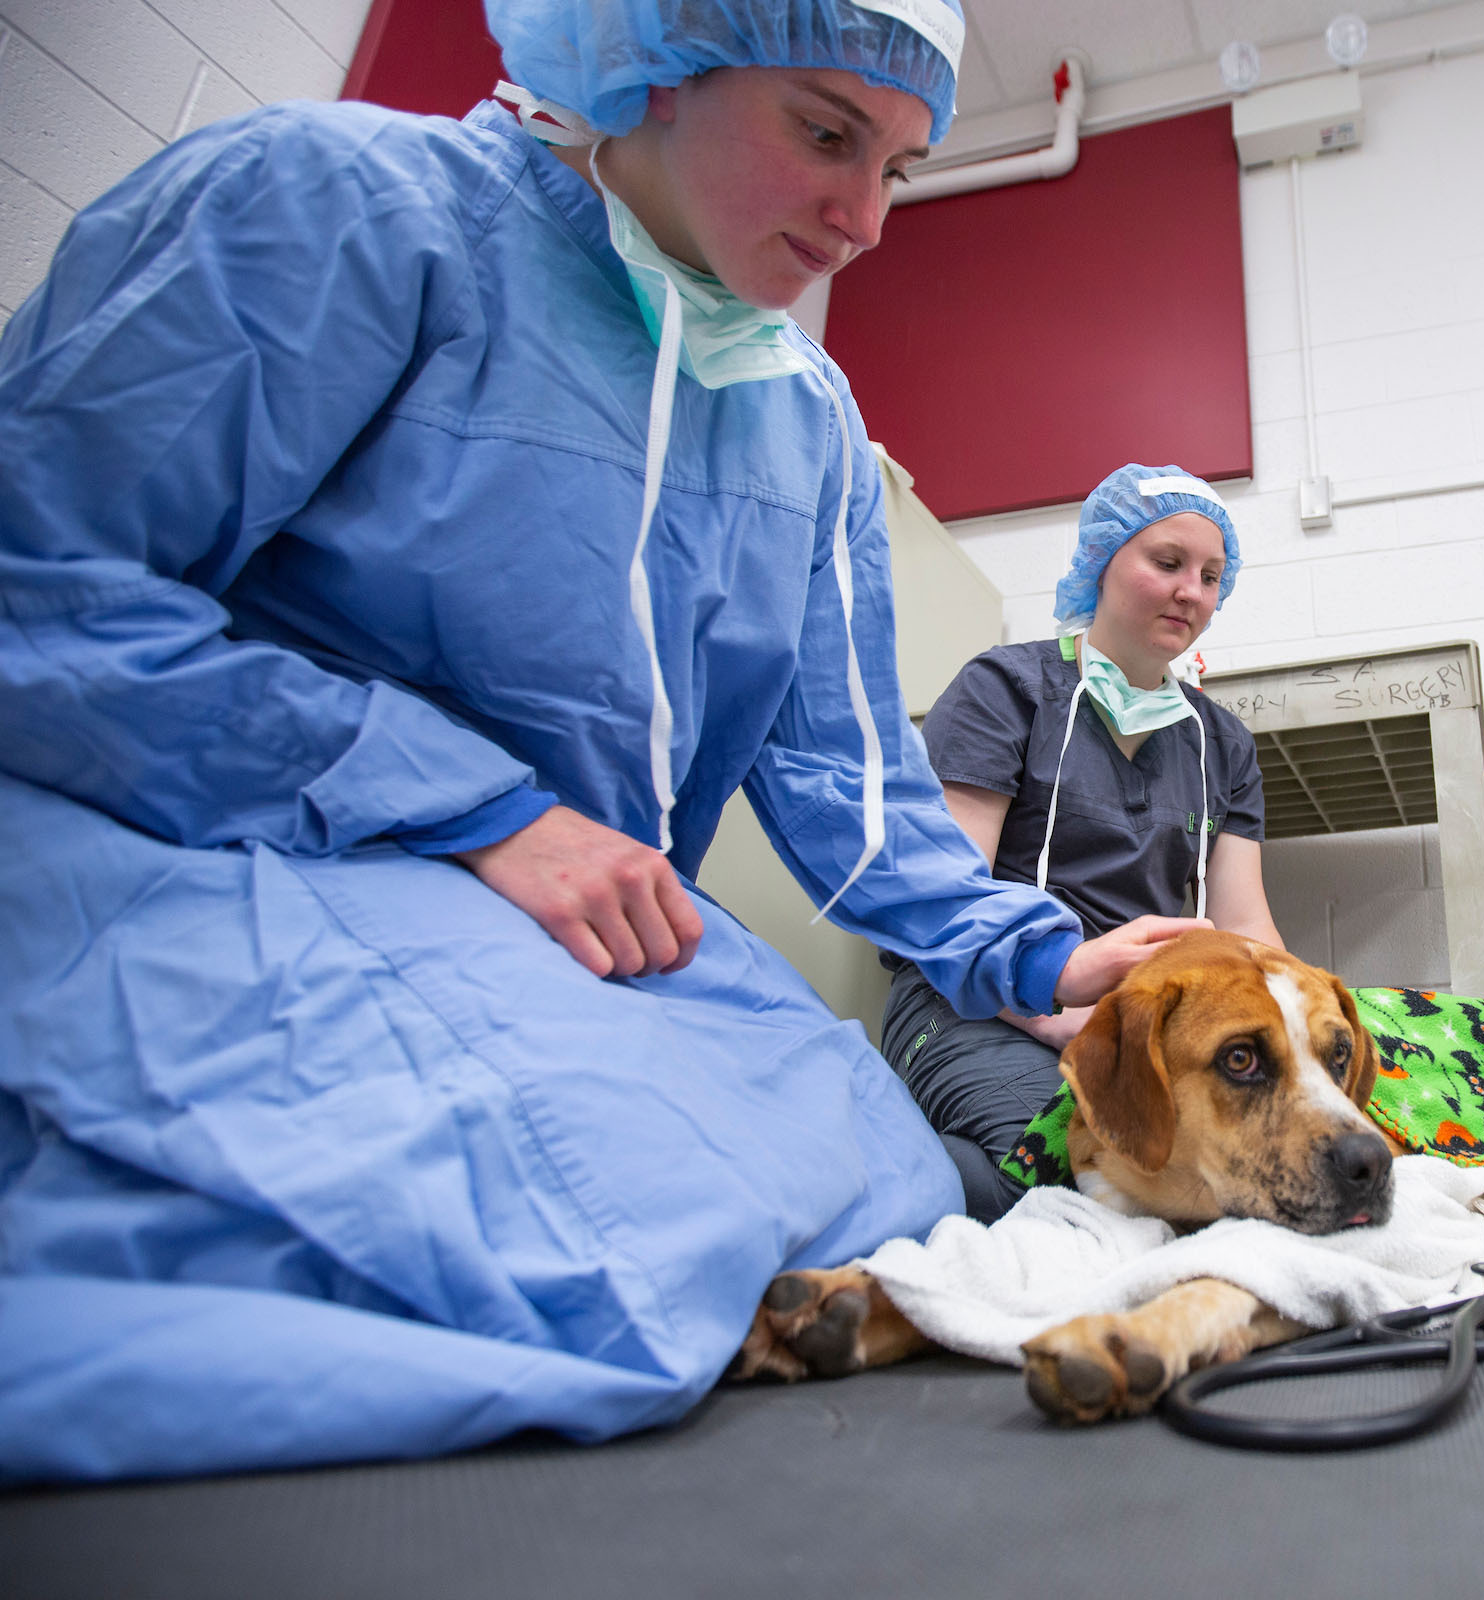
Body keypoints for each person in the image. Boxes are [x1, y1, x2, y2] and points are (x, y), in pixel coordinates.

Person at [0, 0, 1201, 1484]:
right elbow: (42, 583)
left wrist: (1037, 956)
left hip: (591, 934)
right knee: (622, 1245)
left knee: (878, 1186)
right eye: (826, 134)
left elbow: (846, 773)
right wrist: (483, 812)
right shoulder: (344, 211)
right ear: (648, 62)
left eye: (897, 166)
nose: (865, 220)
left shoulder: (805, 422)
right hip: (243, 846)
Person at [881, 464, 1283, 1219]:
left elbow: (1247, 927)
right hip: (968, 1002)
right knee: (1062, 1169)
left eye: (1210, 575)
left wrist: (1305, 1028)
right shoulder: (1007, 691)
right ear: (1100, 563)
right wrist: (1048, 1008)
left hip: (1131, 1025)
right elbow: (946, 908)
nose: (1191, 591)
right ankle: (849, 1172)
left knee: (1238, 1164)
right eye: (1166, 563)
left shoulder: (1221, 743)